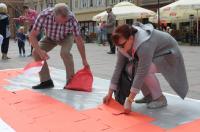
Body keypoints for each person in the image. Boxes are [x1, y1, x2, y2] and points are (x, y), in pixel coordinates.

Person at [103, 23, 189, 114]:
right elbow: (118, 68)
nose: (121, 49)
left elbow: (142, 71)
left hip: (169, 55)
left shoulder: (144, 44)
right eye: (118, 46)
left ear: (131, 38)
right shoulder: (122, 44)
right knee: (130, 68)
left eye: (122, 45)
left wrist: (129, 100)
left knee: (145, 70)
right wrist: (109, 94)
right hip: (154, 56)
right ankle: (149, 96)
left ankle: (160, 98)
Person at [29, 3, 90, 89]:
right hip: (50, 37)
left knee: (65, 53)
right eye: (61, 20)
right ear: (54, 14)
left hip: (66, 37)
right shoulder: (44, 16)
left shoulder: (72, 19)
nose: (64, 22)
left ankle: (71, 82)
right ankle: (46, 81)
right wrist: (40, 51)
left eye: (66, 20)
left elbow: (79, 40)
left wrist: (84, 59)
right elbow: (32, 35)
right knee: (36, 52)